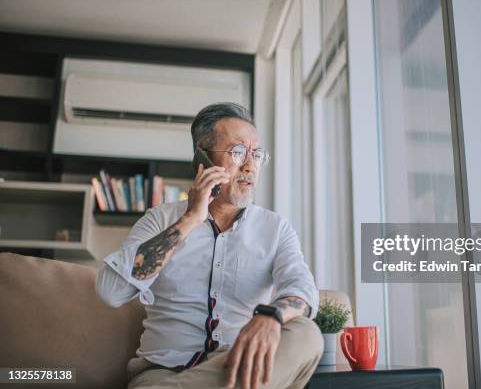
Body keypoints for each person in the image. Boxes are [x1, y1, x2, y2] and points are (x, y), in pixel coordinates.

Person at [95, 102, 323, 389]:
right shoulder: (160, 219)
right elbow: (111, 291)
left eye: (257, 155)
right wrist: (191, 218)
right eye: (238, 152)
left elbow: (302, 290)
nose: (250, 165)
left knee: (306, 334)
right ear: (202, 159)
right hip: (163, 373)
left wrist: (272, 316)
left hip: (237, 368)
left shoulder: (275, 229)